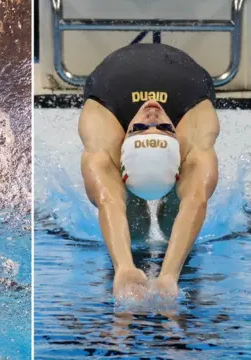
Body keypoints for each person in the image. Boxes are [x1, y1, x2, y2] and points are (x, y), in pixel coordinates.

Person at [78, 43, 219, 299]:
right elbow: (108, 199)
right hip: (141, 82)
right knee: (136, 231)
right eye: (142, 126)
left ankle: (169, 199)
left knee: (173, 218)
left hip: (168, 81)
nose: (153, 115)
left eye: (165, 128)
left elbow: (196, 200)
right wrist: (123, 267)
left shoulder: (194, 138)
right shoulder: (101, 134)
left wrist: (169, 275)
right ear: (121, 147)